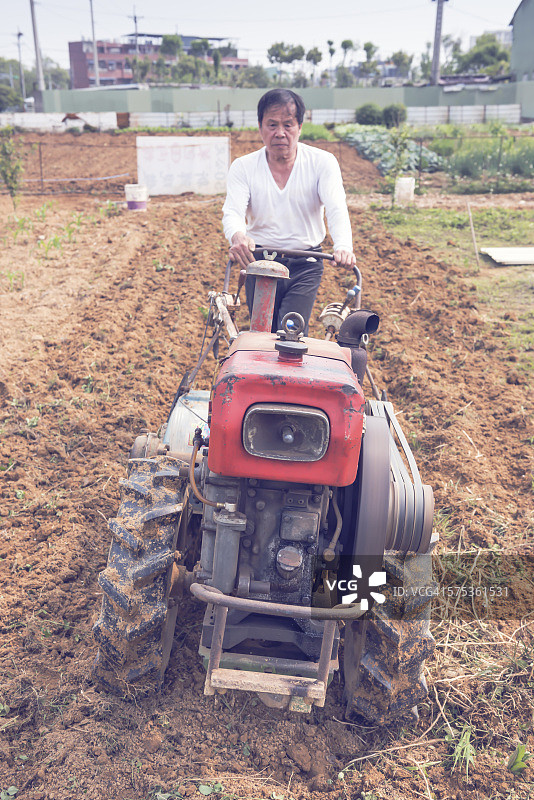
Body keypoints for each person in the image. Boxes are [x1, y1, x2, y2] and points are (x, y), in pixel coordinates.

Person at [222, 88, 356, 336]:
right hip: (260, 262)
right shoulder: (244, 167)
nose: (280, 133)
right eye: (272, 124)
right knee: (262, 334)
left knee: (291, 333)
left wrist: (343, 246)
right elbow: (232, 211)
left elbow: (336, 206)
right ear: (260, 127)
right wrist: (238, 236)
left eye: (288, 124)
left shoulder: (322, 162)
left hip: (305, 263)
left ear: (300, 127)